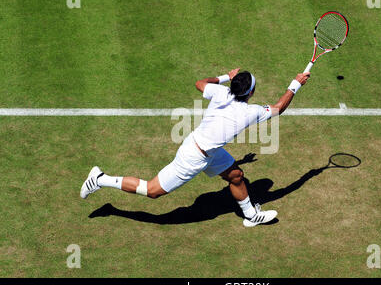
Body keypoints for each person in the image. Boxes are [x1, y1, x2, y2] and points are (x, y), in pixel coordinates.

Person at [80, 68, 310, 227]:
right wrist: (296, 84)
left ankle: (250, 215)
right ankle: (100, 179)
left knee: (237, 176)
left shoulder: (221, 92)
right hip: (193, 157)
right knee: (152, 191)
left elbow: (200, 83)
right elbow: (279, 107)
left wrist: (224, 77)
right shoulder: (251, 112)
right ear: (251, 93)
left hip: (207, 149)